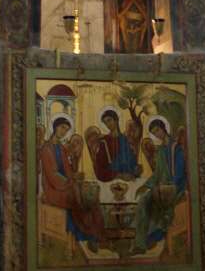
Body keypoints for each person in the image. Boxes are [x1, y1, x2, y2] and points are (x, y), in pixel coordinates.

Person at [40, 116, 111, 254]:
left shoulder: (61, 148)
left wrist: (75, 176)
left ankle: (101, 239)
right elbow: (53, 176)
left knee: (91, 196)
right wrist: (71, 182)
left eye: (66, 130)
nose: (64, 132)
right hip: (53, 190)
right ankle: (91, 235)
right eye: (62, 128)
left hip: (65, 186)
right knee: (78, 197)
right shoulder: (46, 148)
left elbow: (67, 172)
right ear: (55, 127)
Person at [129, 117, 186, 256]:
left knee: (162, 204)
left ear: (164, 128)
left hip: (175, 187)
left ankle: (155, 236)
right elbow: (157, 174)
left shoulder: (176, 147)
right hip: (160, 188)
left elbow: (180, 172)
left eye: (158, 130)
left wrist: (169, 185)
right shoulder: (160, 151)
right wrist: (145, 186)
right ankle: (139, 245)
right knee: (143, 201)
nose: (157, 134)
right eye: (154, 133)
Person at [95, 108, 142, 182]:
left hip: (128, 177)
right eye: (105, 122)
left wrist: (136, 168)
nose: (108, 124)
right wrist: (119, 176)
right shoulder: (104, 141)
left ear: (116, 120)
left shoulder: (123, 139)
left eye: (109, 120)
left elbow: (130, 160)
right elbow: (100, 168)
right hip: (112, 178)